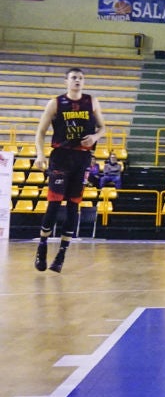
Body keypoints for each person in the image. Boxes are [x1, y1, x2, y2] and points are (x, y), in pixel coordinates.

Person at [32, 67, 107, 273]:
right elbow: (40, 132)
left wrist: (95, 137)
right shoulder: (56, 103)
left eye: (81, 78)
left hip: (82, 158)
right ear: (66, 81)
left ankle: (62, 254)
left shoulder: (92, 101)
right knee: (54, 205)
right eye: (74, 78)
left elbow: (103, 127)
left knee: (74, 206)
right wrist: (40, 154)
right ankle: (42, 245)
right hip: (61, 157)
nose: (77, 81)